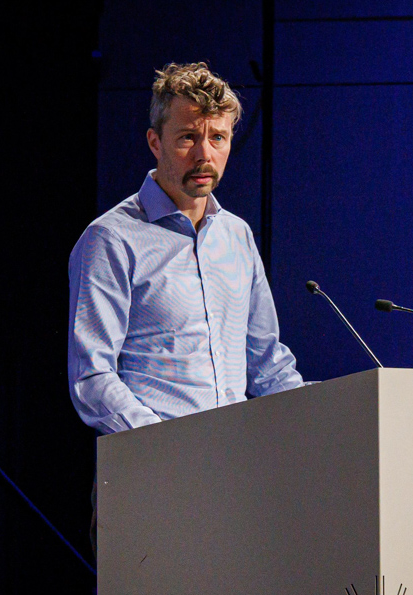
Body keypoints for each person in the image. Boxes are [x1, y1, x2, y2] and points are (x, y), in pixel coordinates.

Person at [68, 62, 303, 436]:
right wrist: (162, 443)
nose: (204, 155)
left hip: (237, 458)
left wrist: (321, 417)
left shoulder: (237, 235)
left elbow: (267, 365)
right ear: (155, 142)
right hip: (154, 459)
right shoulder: (111, 239)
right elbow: (92, 375)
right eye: (188, 138)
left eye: (218, 138)